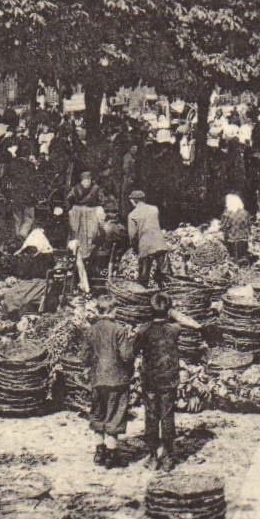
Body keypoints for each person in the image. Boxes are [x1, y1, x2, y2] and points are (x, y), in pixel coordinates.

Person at [135, 292, 200, 471]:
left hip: (150, 379)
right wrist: (171, 312)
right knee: (167, 416)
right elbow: (187, 323)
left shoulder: (144, 330)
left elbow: (135, 349)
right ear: (169, 310)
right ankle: (169, 456)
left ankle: (153, 455)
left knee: (151, 416)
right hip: (169, 379)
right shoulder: (174, 329)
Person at [87, 297, 138, 467]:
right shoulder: (119, 329)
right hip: (116, 379)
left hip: (97, 379)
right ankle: (111, 454)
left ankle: (98, 451)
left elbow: (84, 356)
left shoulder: (91, 330)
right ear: (112, 311)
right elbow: (126, 356)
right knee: (115, 414)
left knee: (99, 413)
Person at [64, 170, 106, 293]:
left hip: (91, 213)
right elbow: (69, 199)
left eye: (88, 181)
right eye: (84, 181)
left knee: (91, 236)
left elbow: (102, 200)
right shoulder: (76, 189)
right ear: (81, 181)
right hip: (79, 214)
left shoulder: (96, 189)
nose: (86, 183)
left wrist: (95, 208)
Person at [127, 190, 170, 285]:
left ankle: (144, 295)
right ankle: (168, 291)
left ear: (134, 201)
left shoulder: (132, 215)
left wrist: (135, 248)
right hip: (160, 244)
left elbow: (132, 236)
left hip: (145, 246)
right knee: (165, 273)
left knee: (143, 276)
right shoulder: (154, 209)